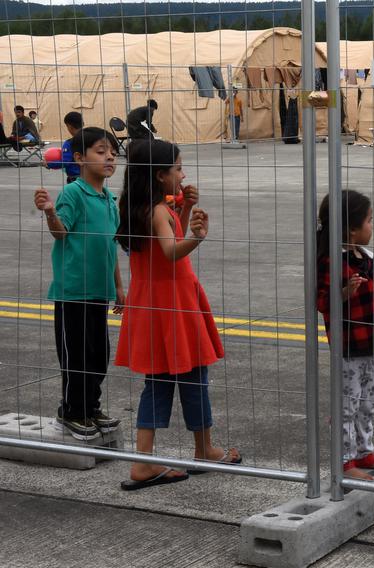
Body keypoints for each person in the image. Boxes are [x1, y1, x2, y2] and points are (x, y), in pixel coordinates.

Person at [114, 139, 240, 491]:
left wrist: (185, 211)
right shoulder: (156, 209)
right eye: (178, 168)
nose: (183, 174)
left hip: (150, 300)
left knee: (157, 382)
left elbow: (166, 240)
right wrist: (199, 237)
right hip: (174, 300)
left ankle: (143, 461)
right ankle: (204, 450)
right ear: (159, 175)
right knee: (194, 375)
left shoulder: (137, 205)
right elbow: (172, 251)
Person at [33, 127, 124, 441]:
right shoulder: (74, 192)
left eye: (112, 151)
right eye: (101, 151)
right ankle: (71, 412)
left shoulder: (109, 199)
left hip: (99, 290)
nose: (109, 156)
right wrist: (49, 213)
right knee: (76, 355)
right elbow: (61, 232)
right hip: (73, 290)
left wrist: (119, 288)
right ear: (79, 158)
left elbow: (110, 247)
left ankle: (90, 406)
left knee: (99, 354)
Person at [316, 190, 374, 481]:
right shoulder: (331, 262)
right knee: (346, 405)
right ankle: (345, 462)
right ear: (351, 228)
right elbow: (323, 303)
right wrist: (344, 292)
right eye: (370, 221)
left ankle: (365, 452)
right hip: (348, 346)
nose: (372, 226)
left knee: (367, 402)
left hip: (369, 343)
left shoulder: (365, 258)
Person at [46, 111, 83, 184]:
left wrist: (49, 164)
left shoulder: (69, 143)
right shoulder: (91, 139)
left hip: (75, 179)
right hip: (91, 177)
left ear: (69, 126)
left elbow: (66, 162)